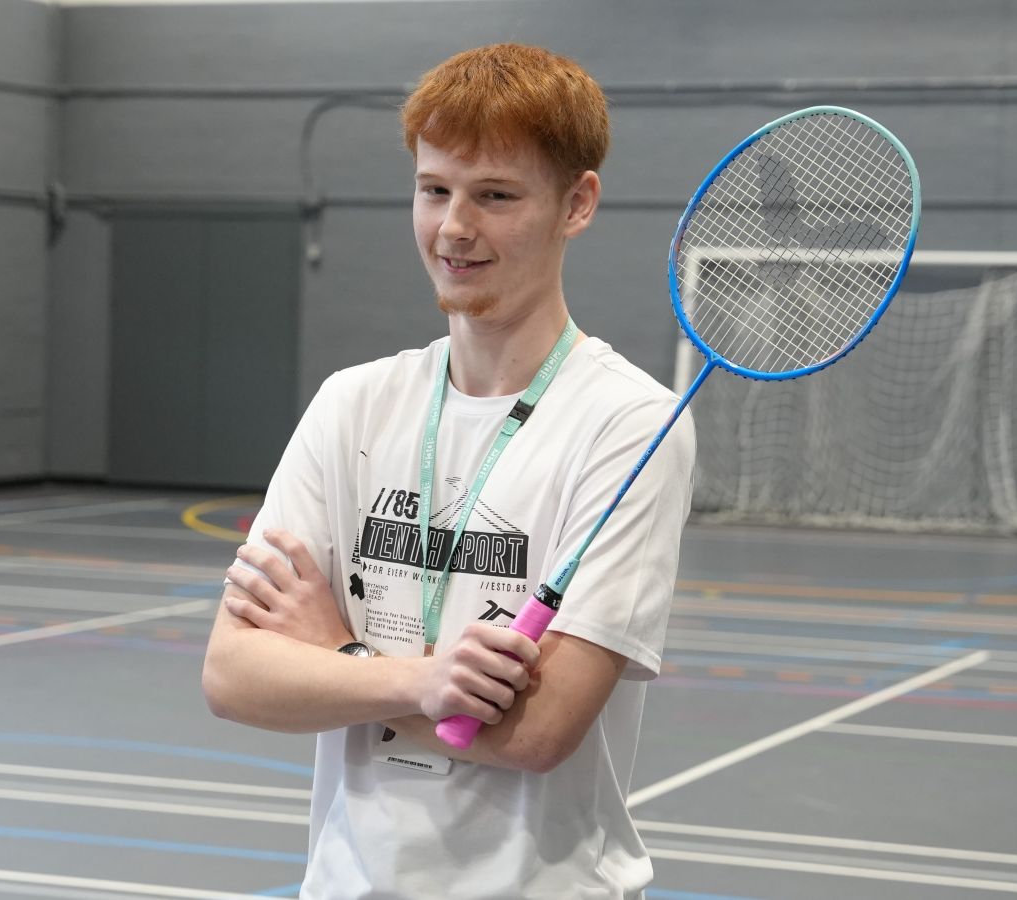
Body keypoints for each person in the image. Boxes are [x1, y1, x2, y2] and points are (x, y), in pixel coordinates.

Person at [200, 42, 695, 899]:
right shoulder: (352, 405)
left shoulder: (628, 424)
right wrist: (420, 681)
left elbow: (541, 731)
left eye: (495, 196)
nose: (454, 228)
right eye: (435, 190)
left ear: (577, 204)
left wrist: (336, 657)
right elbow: (233, 675)